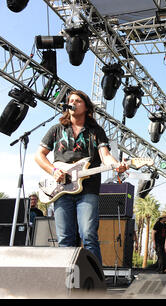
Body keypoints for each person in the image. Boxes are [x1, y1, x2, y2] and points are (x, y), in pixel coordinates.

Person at [35, 90, 128, 265]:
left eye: (77, 101)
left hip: (88, 189)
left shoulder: (96, 131)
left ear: (86, 107)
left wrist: (117, 166)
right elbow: (39, 155)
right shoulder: (56, 129)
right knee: (65, 238)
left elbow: (105, 156)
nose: (73, 103)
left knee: (88, 234)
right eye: (70, 100)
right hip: (61, 190)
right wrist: (53, 170)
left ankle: (95, 279)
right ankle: (68, 280)